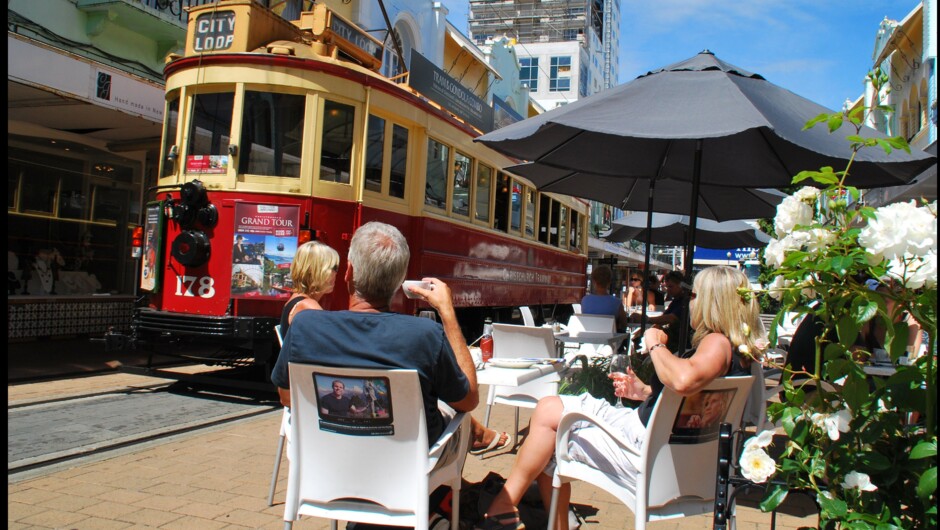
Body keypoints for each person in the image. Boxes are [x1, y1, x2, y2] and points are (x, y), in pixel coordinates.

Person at [476, 266, 764, 530]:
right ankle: (515, 507)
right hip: (676, 453)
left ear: (713, 302)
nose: (691, 301)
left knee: (550, 421)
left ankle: (506, 505)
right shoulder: (741, 353)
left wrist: (654, 344)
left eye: (696, 295)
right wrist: (648, 393)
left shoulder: (717, 342)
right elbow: (693, 402)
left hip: (645, 451)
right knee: (550, 417)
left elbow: (684, 379)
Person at [273, 221, 479, 446]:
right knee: (457, 417)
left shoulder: (305, 326)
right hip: (408, 465)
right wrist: (447, 313)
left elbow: (286, 397)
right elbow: (468, 401)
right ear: (400, 281)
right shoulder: (426, 335)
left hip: (328, 460)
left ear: (348, 272)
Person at [630, 270, 690, 353]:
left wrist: (647, 319)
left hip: (680, 345)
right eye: (667, 287)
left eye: (671, 287)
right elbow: (663, 319)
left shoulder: (685, 301)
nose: (668, 290)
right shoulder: (676, 300)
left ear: (681, 286)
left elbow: (671, 318)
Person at [580, 264, 628, 331]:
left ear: (594, 281)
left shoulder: (585, 300)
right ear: (609, 282)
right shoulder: (617, 303)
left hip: (589, 338)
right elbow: (624, 325)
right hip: (609, 340)